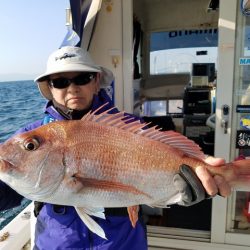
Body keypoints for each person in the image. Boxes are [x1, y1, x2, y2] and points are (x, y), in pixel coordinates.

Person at [0, 46, 231, 250]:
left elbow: (167, 172)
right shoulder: (30, 135)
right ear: (49, 88)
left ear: (96, 80)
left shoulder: (132, 127)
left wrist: (184, 192)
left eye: (82, 78)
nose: (72, 88)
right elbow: (8, 190)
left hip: (123, 244)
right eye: (60, 81)